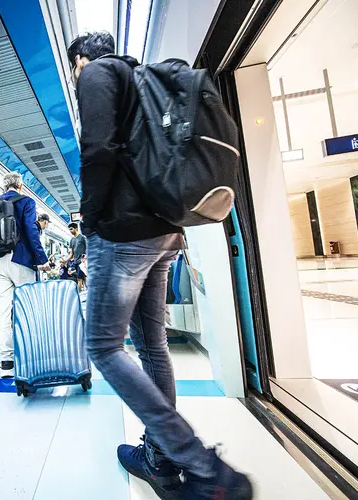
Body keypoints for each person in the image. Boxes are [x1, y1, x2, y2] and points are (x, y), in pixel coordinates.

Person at [68, 32, 252, 499]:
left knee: (104, 347)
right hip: (166, 231)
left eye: (73, 68)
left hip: (123, 233)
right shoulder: (140, 79)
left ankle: (203, 466)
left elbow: (98, 150)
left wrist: (89, 221)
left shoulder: (97, 73)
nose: (74, 76)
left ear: (80, 59)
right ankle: (159, 457)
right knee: (152, 347)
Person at [0, 172, 50, 377]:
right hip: (20, 260)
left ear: (4, 186)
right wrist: (42, 260)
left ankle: (6, 362)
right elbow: (31, 232)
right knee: (27, 308)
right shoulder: (26, 202)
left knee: (3, 312)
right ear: (20, 186)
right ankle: (31, 355)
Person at [64, 222, 87, 291]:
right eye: (69, 230)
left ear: (76, 228)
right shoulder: (71, 240)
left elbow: (88, 248)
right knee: (82, 278)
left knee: (80, 278)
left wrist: (85, 256)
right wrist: (65, 260)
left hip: (82, 262)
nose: (70, 231)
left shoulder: (82, 238)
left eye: (71, 229)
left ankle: (79, 294)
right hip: (76, 262)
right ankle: (86, 292)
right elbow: (71, 254)